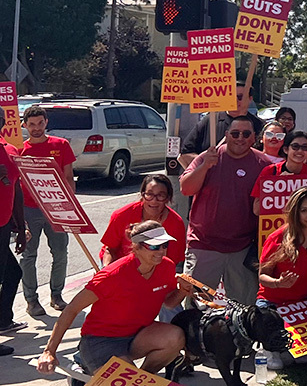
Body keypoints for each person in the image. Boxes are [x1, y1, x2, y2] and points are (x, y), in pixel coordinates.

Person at [36, 221, 189, 376]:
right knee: (125, 377)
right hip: (101, 340)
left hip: (138, 335)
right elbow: (72, 309)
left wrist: (183, 291)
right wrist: (49, 351)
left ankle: (144, 377)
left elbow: (169, 303)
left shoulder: (167, 266)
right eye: (154, 246)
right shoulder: (112, 275)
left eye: (164, 244)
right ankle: (85, 364)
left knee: (174, 337)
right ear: (137, 246)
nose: (161, 251)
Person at [180, 115, 275, 305]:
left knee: (244, 307)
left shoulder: (264, 165)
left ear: (254, 137)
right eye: (235, 133)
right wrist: (205, 166)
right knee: (197, 306)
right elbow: (186, 188)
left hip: (242, 248)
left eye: (246, 133)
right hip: (204, 245)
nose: (240, 138)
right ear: (226, 134)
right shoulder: (207, 157)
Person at [258, 187, 307, 369]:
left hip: (303, 303)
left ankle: (287, 347)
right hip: (272, 303)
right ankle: (269, 348)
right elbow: (262, 276)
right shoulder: (277, 238)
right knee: (276, 363)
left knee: (304, 358)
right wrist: (278, 283)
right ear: (295, 212)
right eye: (304, 210)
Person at [19, 105, 76, 315]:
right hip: (29, 208)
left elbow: (68, 177)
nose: (36, 128)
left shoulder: (61, 145)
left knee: (60, 253)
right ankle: (31, 300)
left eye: (40, 123)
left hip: (57, 208)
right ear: (25, 125)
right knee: (28, 255)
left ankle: (56, 295)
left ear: (46, 122)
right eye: (31, 124)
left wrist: (71, 208)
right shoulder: (19, 149)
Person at [100, 175, 185, 268]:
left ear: (168, 198)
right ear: (142, 195)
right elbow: (110, 249)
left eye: (160, 195)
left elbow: (173, 261)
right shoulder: (121, 215)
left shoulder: (176, 223)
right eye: (149, 194)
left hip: (155, 271)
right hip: (119, 267)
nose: (154, 201)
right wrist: (106, 270)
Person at [179, 80, 264, 168]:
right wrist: (207, 165)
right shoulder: (210, 121)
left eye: (240, 97)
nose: (235, 101)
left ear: (250, 99)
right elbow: (185, 153)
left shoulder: (259, 126)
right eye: (230, 96)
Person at [0, 115, 27, 351]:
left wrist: (20, 226)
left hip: (4, 225)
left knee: (11, 274)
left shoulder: (11, 151)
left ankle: (3, 321)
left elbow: (16, 188)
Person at [254, 130, 307, 214]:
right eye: (295, 146)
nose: (300, 151)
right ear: (285, 149)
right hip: (275, 225)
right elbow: (256, 210)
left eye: (305, 147)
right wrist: (277, 186)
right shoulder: (269, 172)